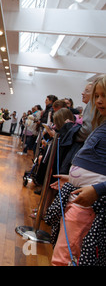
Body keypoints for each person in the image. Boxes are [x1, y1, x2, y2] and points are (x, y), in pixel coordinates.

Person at [46, 75, 106, 266]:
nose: (98, 101)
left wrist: (97, 189)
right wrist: (74, 179)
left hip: (90, 202)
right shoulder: (102, 124)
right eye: (97, 95)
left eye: (104, 95)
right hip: (81, 195)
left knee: (65, 256)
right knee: (65, 251)